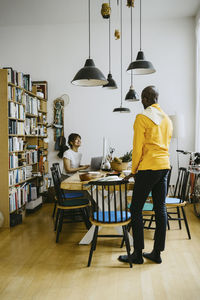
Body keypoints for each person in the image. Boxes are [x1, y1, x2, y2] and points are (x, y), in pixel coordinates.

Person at [118, 86, 173, 265]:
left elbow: (137, 148)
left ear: (144, 99)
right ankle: (157, 253)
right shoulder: (167, 119)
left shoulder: (142, 117)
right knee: (160, 208)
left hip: (148, 167)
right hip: (164, 166)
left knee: (135, 209)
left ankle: (137, 254)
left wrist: (133, 171)